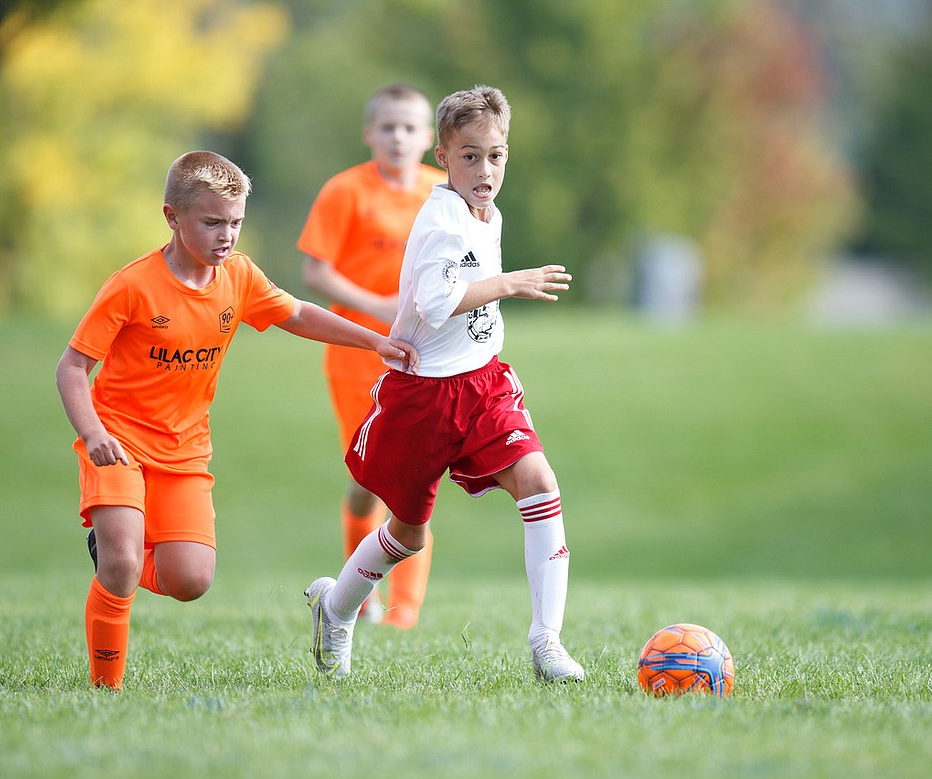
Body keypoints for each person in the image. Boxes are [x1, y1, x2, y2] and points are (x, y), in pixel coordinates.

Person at [56, 150, 417, 690]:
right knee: (122, 562)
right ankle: (105, 688)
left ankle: (118, 558)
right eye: (212, 222)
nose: (227, 235)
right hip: (118, 441)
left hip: (185, 450)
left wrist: (373, 339)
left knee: (191, 580)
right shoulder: (132, 285)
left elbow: (296, 313)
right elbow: (72, 367)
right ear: (172, 217)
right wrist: (93, 434)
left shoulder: (239, 276)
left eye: (236, 223)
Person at [304, 85, 585, 683]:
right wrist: (509, 284)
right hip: (424, 394)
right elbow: (437, 304)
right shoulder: (440, 222)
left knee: (539, 482)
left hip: (483, 384)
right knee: (406, 532)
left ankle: (547, 642)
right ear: (444, 156)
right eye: (470, 156)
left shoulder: (489, 211)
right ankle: (335, 610)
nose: (485, 170)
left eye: (497, 155)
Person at [296, 84, 446, 630]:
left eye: (410, 128)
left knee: (413, 481)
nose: (399, 138)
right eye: (388, 127)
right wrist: (378, 305)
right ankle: (363, 593)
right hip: (358, 357)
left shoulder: (443, 193)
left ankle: (403, 612)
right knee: (367, 483)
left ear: (430, 138)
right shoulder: (345, 192)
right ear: (369, 134)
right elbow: (316, 271)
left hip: (424, 358)